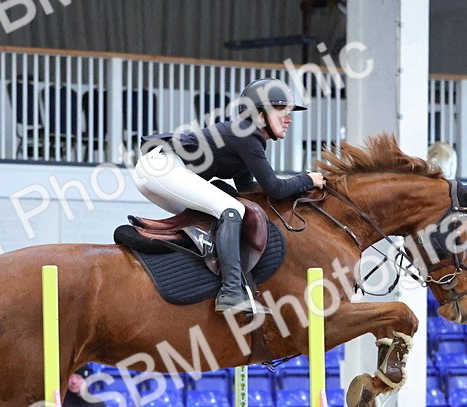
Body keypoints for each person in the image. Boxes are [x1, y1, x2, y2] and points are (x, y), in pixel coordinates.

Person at [133, 78, 325, 317]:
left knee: (221, 213)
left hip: (156, 171)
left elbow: (249, 189)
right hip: (161, 167)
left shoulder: (244, 139)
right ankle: (231, 291)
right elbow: (274, 188)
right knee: (230, 210)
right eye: (281, 111)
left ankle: (209, 281)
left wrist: (298, 191)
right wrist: (308, 180)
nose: (288, 119)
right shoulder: (246, 135)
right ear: (259, 115)